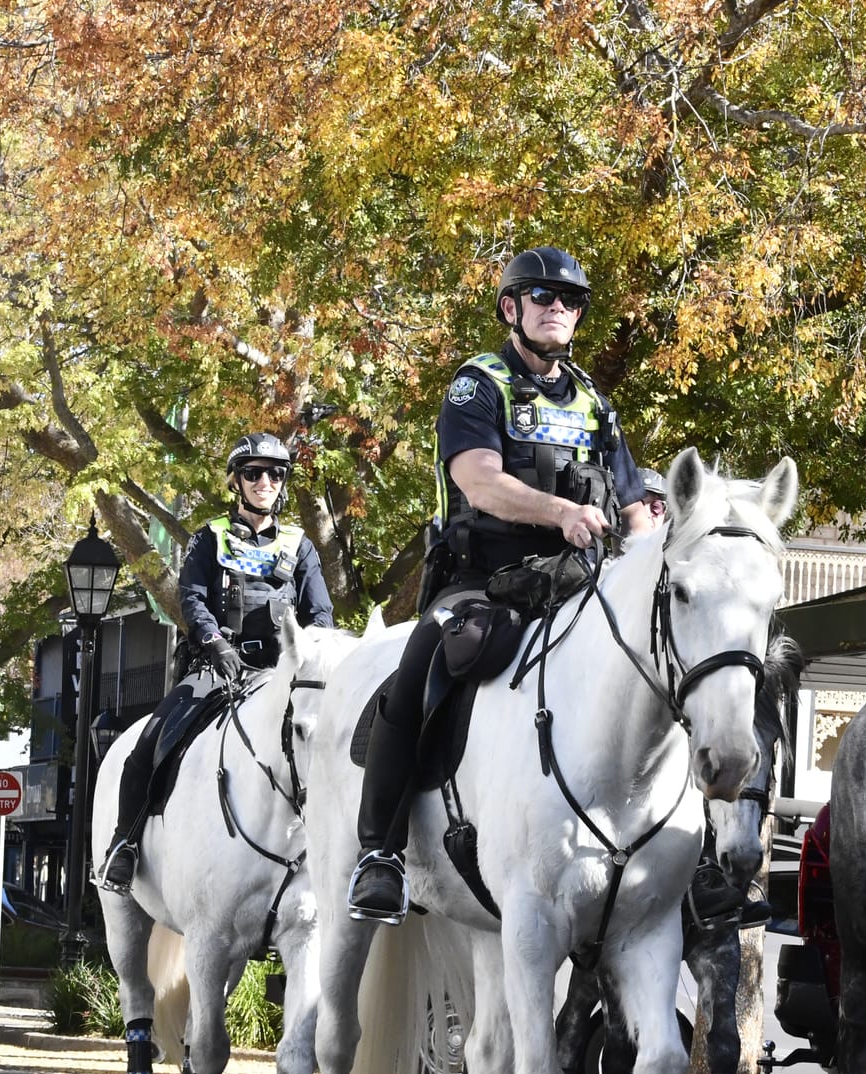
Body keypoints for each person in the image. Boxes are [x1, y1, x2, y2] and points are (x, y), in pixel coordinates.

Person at [345, 246, 656, 924]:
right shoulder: (478, 385)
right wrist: (562, 512)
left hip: (578, 586)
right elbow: (480, 479)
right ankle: (381, 853)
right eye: (543, 296)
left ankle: (698, 860)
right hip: (481, 582)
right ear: (511, 308)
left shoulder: (596, 403)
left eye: (571, 301)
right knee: (425, 665)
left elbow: (633, 509)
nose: (558, 309)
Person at [101, 433, 335, 889]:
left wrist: (310, 656)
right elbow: (192, 598)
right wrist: (214, 643)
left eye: (275, 473)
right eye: (253, 472)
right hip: (219, 667)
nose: (264, 481)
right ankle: (124, 844)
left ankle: (351, 854)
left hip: (284, 672)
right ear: (236, 481)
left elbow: (320, 614)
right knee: (150, 742)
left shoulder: (300, 544)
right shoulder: (209, 537)